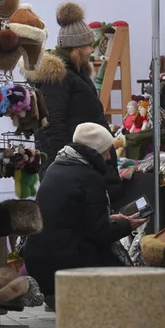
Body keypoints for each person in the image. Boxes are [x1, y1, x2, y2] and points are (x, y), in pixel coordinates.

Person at [22, 122, 145, 310]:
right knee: (109, 254)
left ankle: (57, 294)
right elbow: (99, 232)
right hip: (64, 261)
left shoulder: (56, 166)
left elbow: (69, 216)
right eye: (105, 151)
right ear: (95, 152)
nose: (107, 157)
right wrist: (128, 226)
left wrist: (110, 218)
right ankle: (77, 294)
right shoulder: (89, 176)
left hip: (38, 261)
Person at [25, 1, 111, 173]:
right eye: (88, 46)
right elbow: (53, 124)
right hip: (69, 166)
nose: (90, 51)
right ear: (76, 49)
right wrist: (67, 162)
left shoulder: (76, 73)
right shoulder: (57, 77)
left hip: (80, 161)